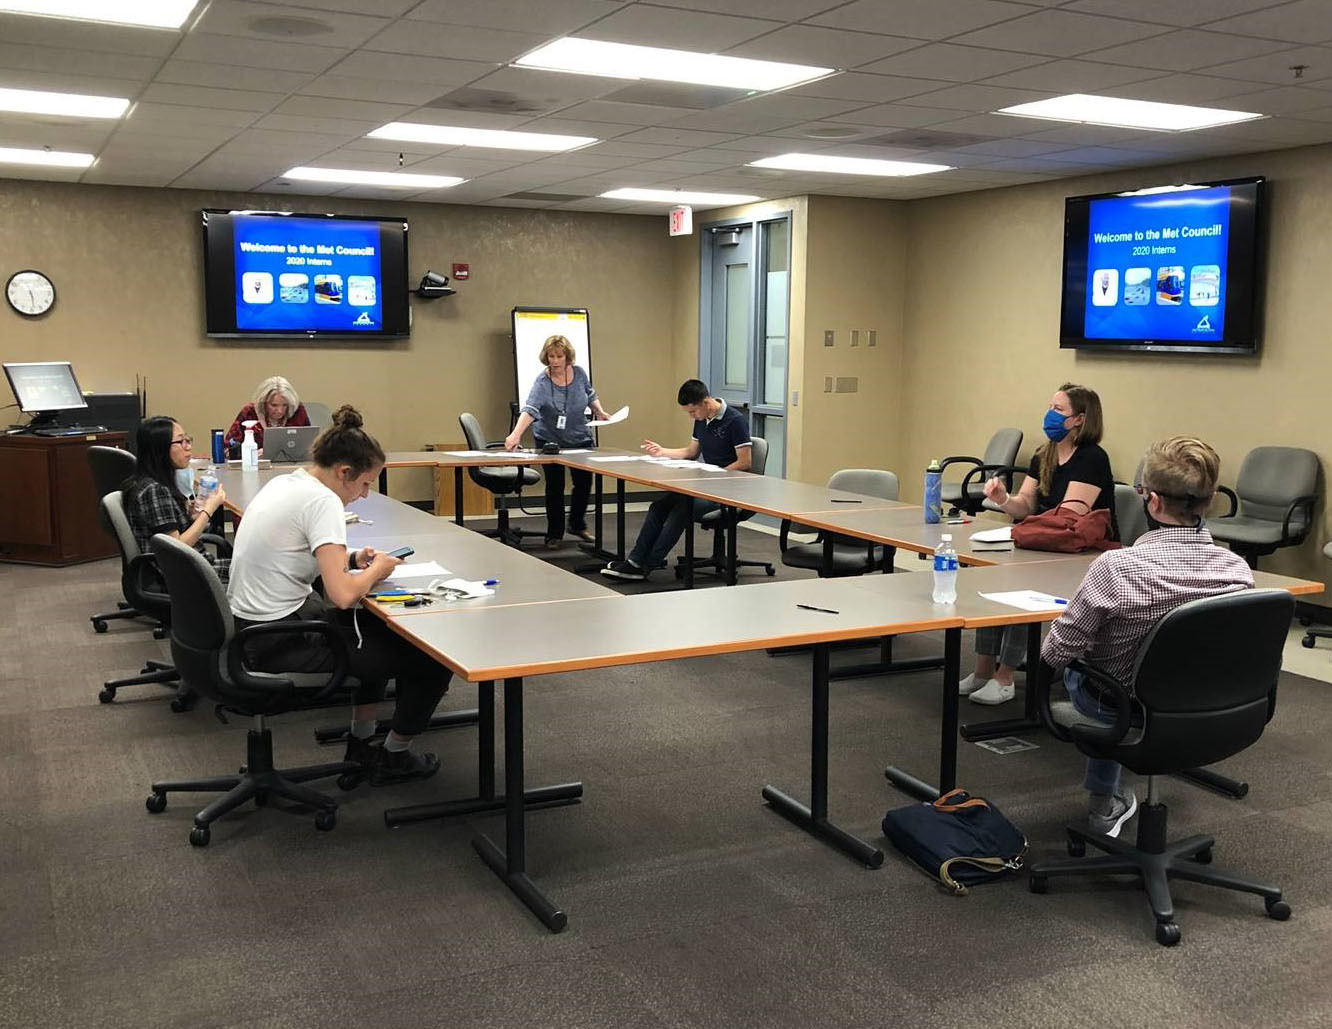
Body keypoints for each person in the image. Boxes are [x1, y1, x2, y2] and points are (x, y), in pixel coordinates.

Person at [1041, 436, 1253, 838]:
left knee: (1079, 668)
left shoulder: (1117, 569)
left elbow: (1057, 648)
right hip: (1210, 705)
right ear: (1207, 503)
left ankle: (1105, 803)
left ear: (1152, 501)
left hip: (1122, 709)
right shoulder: (1237, 570)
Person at [225, 405, 449, 785]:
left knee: (371, 632)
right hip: (279, 639)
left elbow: (294, 549)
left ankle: (361, 747)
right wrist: (376, 570)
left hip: (252, 627)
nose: (364, 495)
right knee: (431, 659)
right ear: (343, 472)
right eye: (364, 484)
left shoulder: (289, 481)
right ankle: (394, 755)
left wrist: (351, 557)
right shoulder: (324, 502)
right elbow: (342, 595)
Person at [959, 383, 1115, 706]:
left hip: (1083, 551)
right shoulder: (1044, 454)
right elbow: (1026, 505)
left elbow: (1070, 519)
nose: (1050, 415)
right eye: (1051, 406)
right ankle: (983, 669)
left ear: (1079, 420)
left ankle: (1005, 677)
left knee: (1020, 587)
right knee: (995, 577)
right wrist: (1004, 500)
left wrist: (1027, 526)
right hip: (1043, 542)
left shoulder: (1092, 458)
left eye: (1059, 410)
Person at [601, 379, 751, 582]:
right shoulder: (702, 419)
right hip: (705, 485)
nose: (692, 416)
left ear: (706, 402)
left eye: (693, 412)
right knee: (658, 507)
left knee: (681, 511)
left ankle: (648, 565)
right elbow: (691, 452)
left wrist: (715, 476)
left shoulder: (735, 421)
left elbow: (744, 463)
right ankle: (634, 561)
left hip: (728, 489)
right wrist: (663, 452)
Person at [504, 335, 612, 548]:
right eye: (551, 356)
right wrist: (515, 434)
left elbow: (590, 394)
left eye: (559, 356)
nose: (555, 361)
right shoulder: (542, 382)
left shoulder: (579, 373)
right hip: (550, 439)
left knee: (583, 483)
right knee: (555, 486)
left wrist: (599, 411)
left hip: (580, 437)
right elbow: (530, 409)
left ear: (567, 357)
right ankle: (554, 533)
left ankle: (577, 524)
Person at [123, 415, 229, 583]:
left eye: (188, 440)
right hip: (187, 574)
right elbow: (176, 548)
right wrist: (209, 510)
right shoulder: (153, 490)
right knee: (258, 571)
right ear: (160, 449)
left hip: (193, 565)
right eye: (181, 442)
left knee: (253, 566)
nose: (188, 447)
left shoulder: (151, 483)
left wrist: (191, 516)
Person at [225, 375, 310, 455]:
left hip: (292, 466)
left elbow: (310, 445)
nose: (280, 411)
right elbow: (228, 448)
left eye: (285, 405)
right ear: (264, 403)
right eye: (274, 405)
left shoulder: (297, 411)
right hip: (256, 467)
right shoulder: (249, 413)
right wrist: (253, 453)